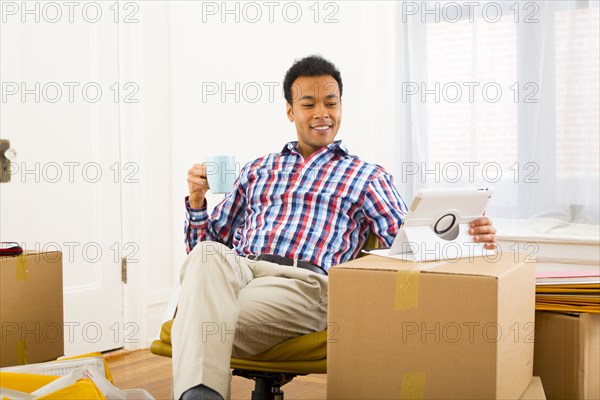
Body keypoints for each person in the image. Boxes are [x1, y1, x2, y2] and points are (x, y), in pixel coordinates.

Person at [173, 55, 497, 400]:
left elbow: (409, 245)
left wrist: (465, 236)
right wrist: (197, 202)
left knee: (199, 316)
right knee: (208, 257)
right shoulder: (257, 169)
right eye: (308, 104)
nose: (321, 114)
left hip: (305, 286)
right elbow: (201, 252)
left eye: (331, 103)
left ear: (341, 107)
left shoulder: (367, 176)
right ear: (290, 111)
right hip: (243, 271)